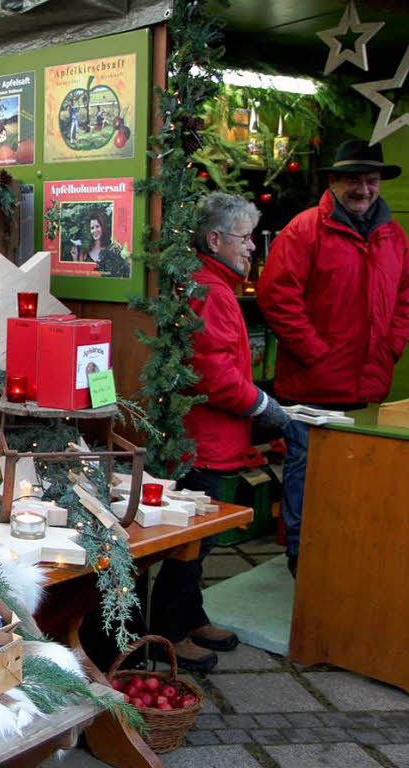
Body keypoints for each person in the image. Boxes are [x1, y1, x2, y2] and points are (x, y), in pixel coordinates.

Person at [147, 193, 291, 672]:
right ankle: (167, 632)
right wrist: (265, 406)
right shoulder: (207, 290)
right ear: (215, 239)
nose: (252, 247)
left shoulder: (215, 285)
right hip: (203, 439)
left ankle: (190, 616)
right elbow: (213, 376)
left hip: (214, 438)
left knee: (201, 538)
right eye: (245, 237)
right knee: (192, 541)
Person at [256, 140, 409, 577]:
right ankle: (301, 561)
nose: (364, 188)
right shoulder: (305, 230)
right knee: (306, 474)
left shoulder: (393, 235)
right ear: (334, 181)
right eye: (354, 179)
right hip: (313, 387)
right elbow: (276, 296)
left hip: (368, 385)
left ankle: (343, 555)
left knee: (355, 475)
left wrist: (392, 345)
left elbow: (405, 296)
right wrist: (315, 354)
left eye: (371, 179)